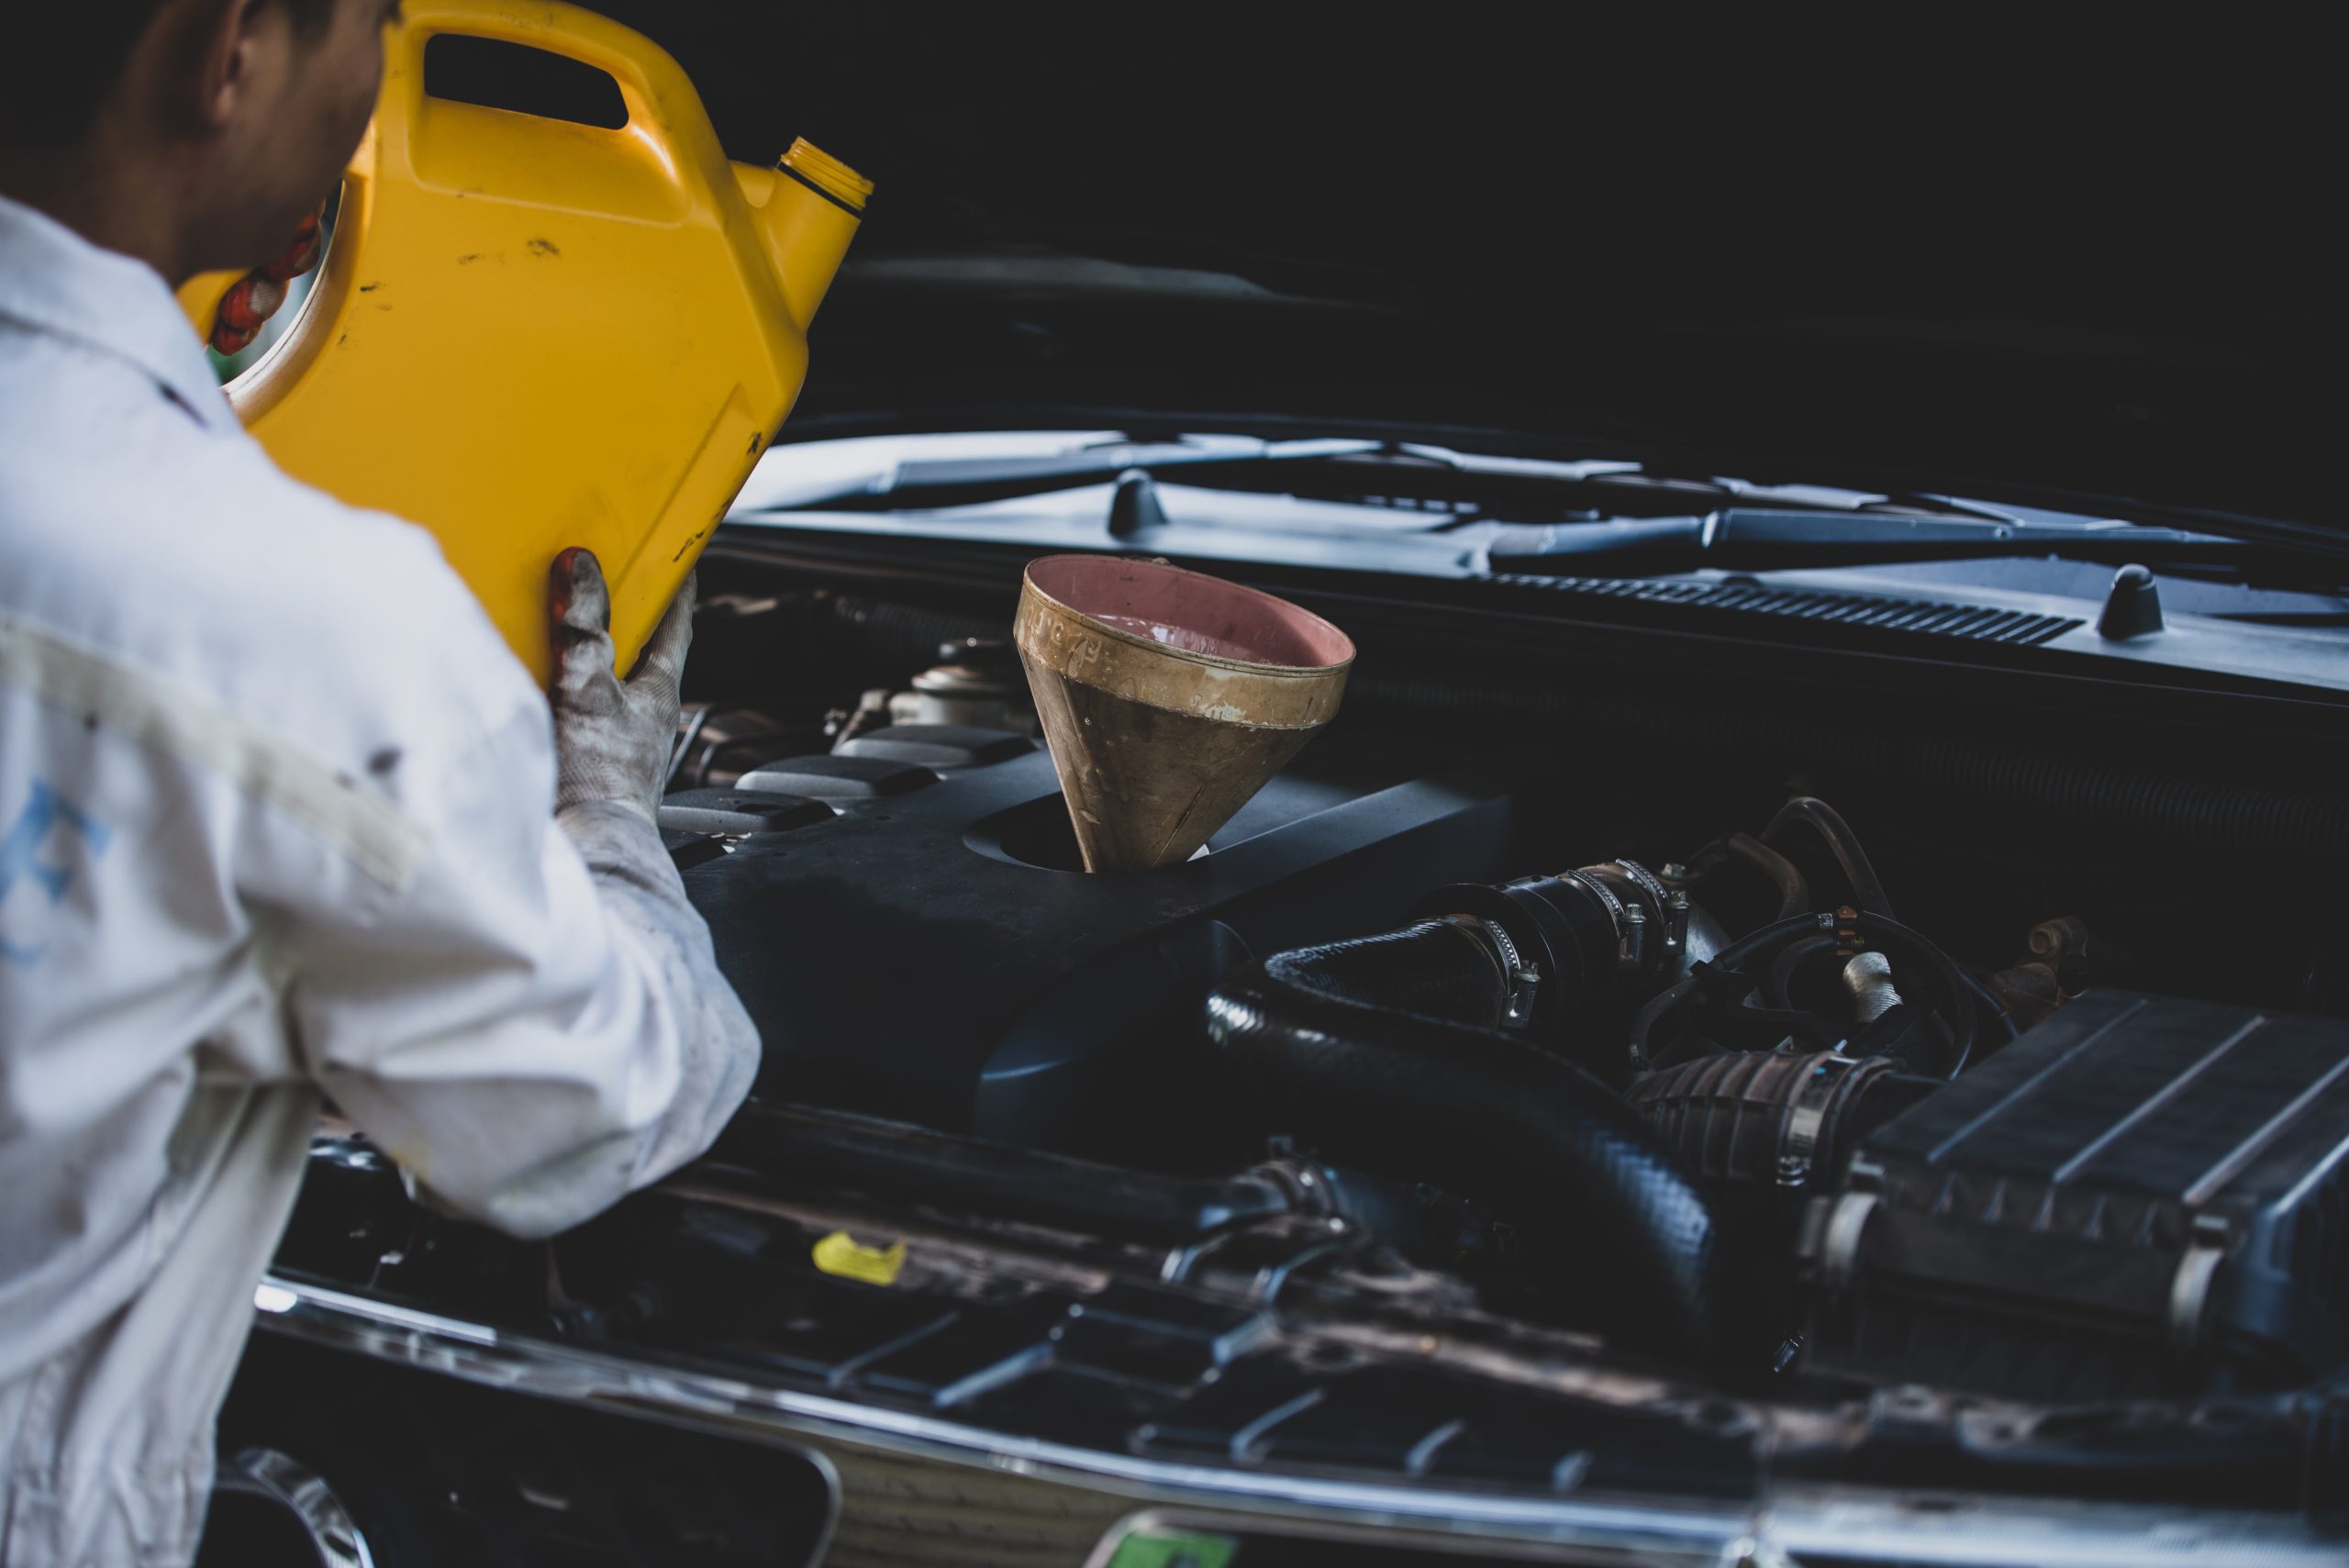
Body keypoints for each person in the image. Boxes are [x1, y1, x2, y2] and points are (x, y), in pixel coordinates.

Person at [0, 1, 760, 1562]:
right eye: (371, 21)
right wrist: (612, 831)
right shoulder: (291, 629)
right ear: (225, 53)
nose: (379, 75)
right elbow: (566, 1120)